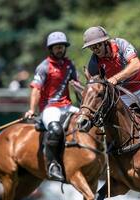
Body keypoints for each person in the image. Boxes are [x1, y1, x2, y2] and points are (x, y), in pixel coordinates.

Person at [82, 26, 140, 184]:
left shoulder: (121, 45)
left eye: (97, 45)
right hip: (122, 95)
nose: (95, 49)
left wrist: (116, 79)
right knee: (110, 129)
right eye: (92, 47)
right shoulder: (93, 63)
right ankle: (116, 170)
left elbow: (136, 65)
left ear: (105, 42)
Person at [24, 31, 82, 182]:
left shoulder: (70, 65)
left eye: (62, 47)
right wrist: (32, 109)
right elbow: (36, 89)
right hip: (50, 108)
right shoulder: (43, 67)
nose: (60, 49)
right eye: (56, 47)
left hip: (67, 106)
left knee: (90, 120)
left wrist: (83, 103)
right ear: (50, 49)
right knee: (56, 129)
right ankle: (52, 164)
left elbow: (76, 85)